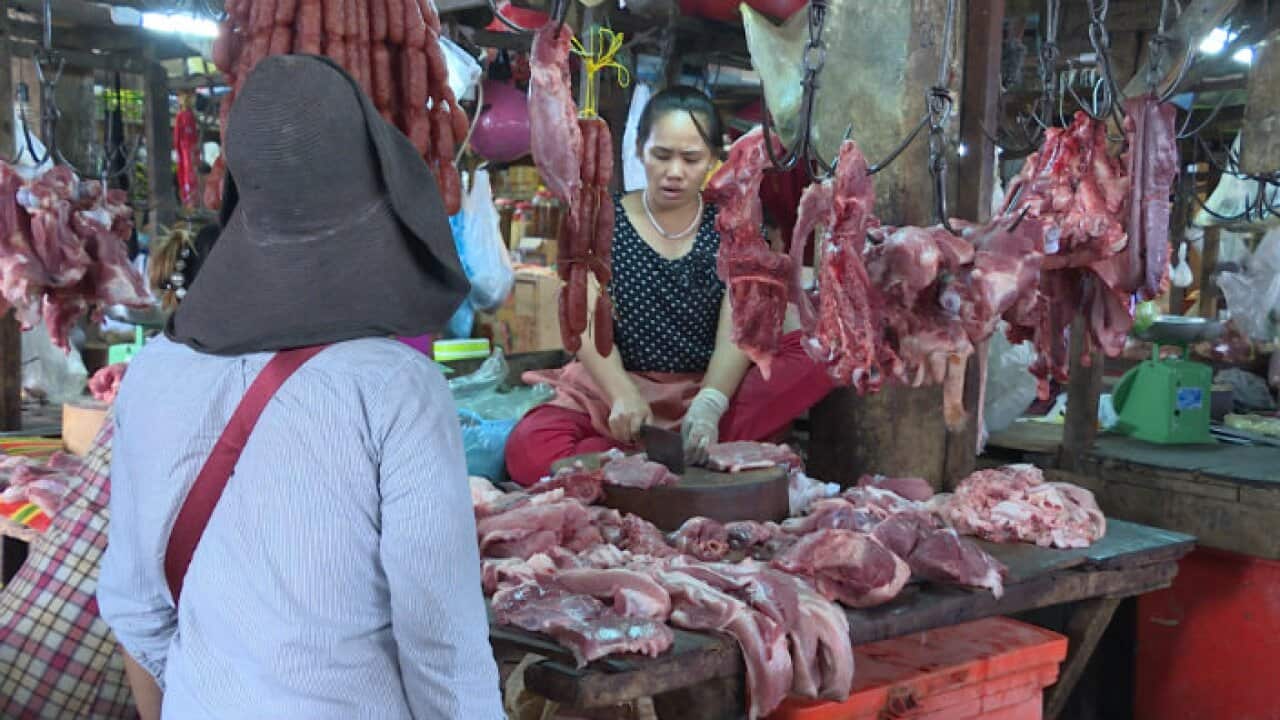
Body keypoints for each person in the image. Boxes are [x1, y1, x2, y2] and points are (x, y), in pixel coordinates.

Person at [97, 55, 503, 720]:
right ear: (379, 189)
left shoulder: (156, 371)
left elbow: (136, 607)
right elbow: (442, 652)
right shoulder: (396, 386)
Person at [505, 86, 834, 486]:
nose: (674, 171)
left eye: (691, 159)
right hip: (618, 390)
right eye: (661, 155)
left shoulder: (736, 228)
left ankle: (639, 465)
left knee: (820, 351)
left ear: (715, 159)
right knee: (528, 447)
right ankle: (674, 463)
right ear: (640, 149)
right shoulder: (601, 219)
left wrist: (711, 403)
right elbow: (582, 319)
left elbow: (740, 328)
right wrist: (621, 393)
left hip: (708, 388)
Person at [0, 220, 220, 719]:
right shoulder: (218, 374)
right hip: (98, 634)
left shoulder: (162, 360)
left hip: (45, 608)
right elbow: (138, 599)